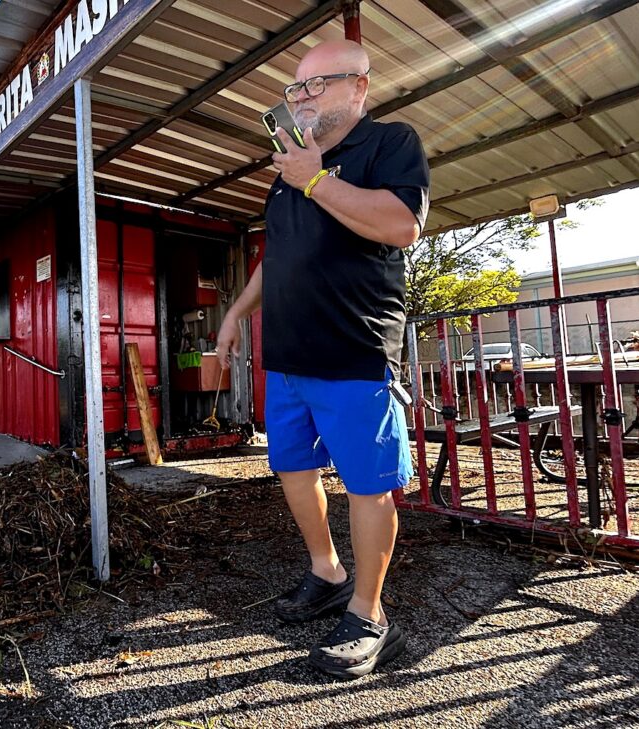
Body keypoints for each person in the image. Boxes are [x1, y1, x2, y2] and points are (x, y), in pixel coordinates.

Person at [216, 39, 430, 679]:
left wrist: (313, 178)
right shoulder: (288, 168)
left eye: (315, 86)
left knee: (368, 484)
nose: (300, 98)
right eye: (294, 90)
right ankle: (328, 572)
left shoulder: (390, 143)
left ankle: (369, 614)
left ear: (359, 88)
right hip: (285, 356)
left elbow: (401, 225)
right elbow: (276, 256)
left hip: (354, 349)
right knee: (292, 470)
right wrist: (235, 312)